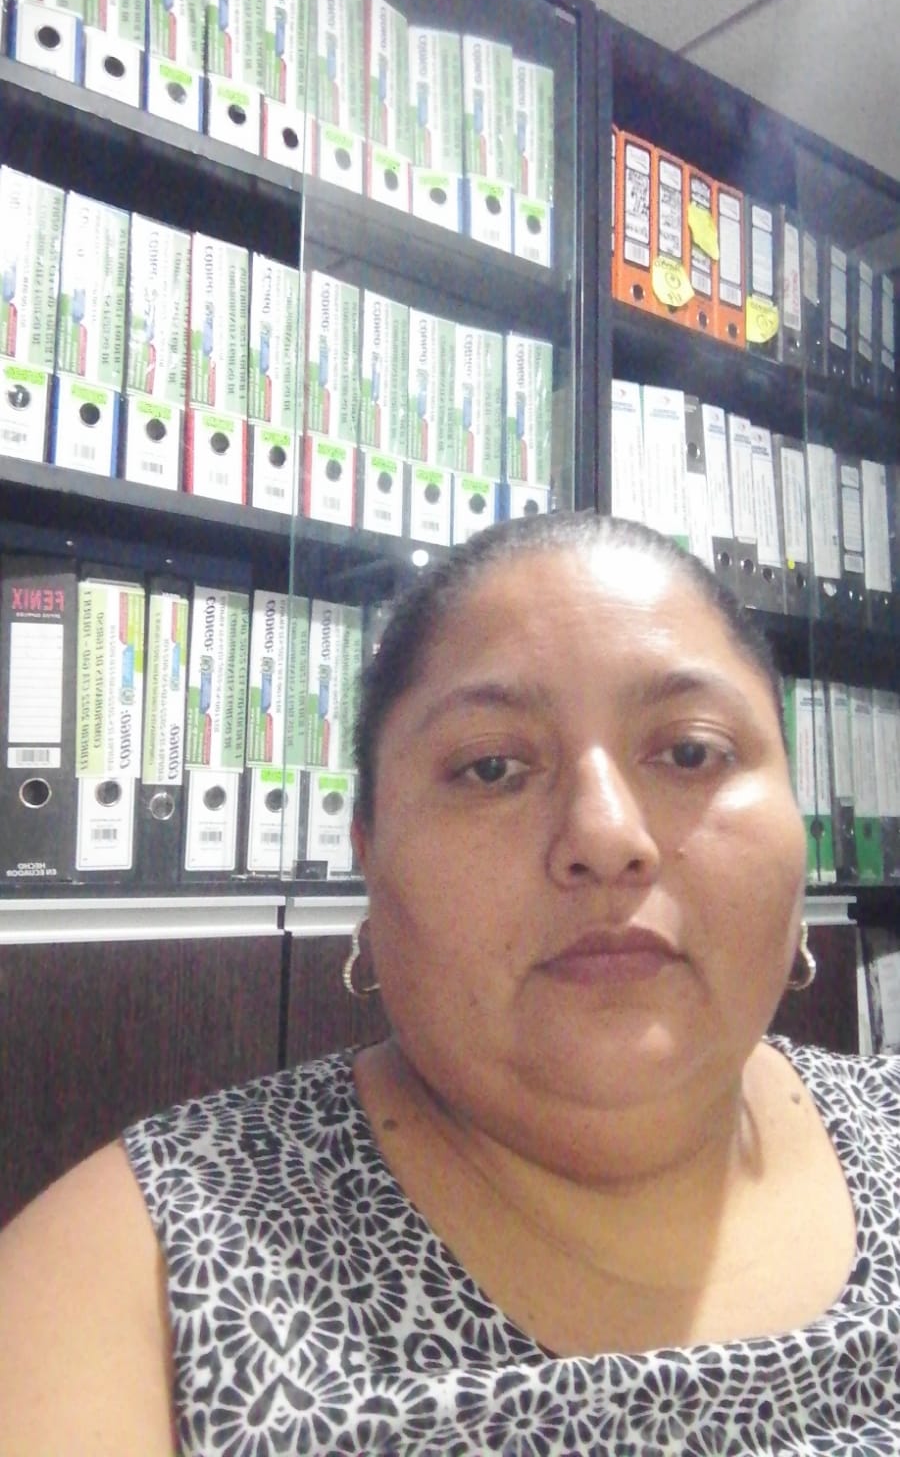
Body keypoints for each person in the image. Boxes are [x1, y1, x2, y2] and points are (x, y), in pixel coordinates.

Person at [1, 509, 898, 1457]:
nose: (606, 837)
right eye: (491, 768)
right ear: (369, 856)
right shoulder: (137, 1271)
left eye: (690, 752)